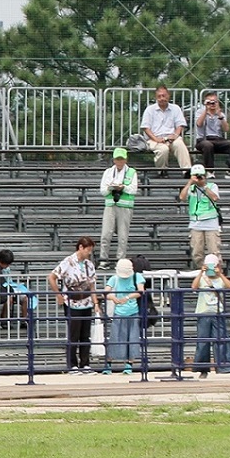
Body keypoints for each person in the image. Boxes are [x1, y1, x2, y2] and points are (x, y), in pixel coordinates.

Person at [48, 236, 100, 374]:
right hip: (72, 302)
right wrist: (58, 295)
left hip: (87, 301)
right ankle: (72, 364)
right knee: (74, 334)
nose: (89, 253)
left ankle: (85, 363)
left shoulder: (89, 265)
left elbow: (92, 285)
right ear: (81, 248)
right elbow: (52, 277)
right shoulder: (68, 262)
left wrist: (95, 302)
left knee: (85, 334)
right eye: (88, 250)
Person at [192, 254, 230, 377]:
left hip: (218, 312)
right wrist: (200, 273)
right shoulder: (202, 278)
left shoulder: (220, 279)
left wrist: (220, 274)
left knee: (222, 340)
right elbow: (194, 286)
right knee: (203, 342)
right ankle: (203, 369)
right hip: (203, 312)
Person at [102, 257, 145, 376]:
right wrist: (113, 298)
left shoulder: (137, 277)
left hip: (133, 311)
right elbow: (105, 292)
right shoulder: (114, 279)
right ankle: (109, 363)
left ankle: (129, 364)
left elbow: (141, 291)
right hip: (118, 312)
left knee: (133, 338)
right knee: (115, 338)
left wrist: (127, 297)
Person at [98, 147, 138, 262]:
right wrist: (111, 188)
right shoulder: (108, 172)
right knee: (106, 234)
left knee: (122, 236)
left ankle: (120, 260)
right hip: (110, 206)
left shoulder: (131, 172)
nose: (119, 162)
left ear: (125, 160)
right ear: (114, 160)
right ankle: (103, 259)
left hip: (125, 207)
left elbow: (133, 190)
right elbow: (103, 191)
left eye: (121, 159)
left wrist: (123, 188)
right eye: (117, 159)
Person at [179, 164, 222, 270]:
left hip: (211, 223)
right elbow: (182, 197)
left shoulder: (212, 186)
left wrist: (204, 186)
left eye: (200, 175)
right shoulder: (191, 188)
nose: (198, 178)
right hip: (196, 223)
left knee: (214, 251)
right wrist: (190, 183)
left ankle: (216, 274)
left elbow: (215, 198)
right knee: (197, 251)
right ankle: (201, 272)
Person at [140, 85, 191, 171]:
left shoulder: (176, 108)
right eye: (159, 96)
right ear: (156, 97)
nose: (162, 98)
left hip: (171, 137)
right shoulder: (150, 110)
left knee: (180, 144)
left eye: (164, 95)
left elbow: (180, 125)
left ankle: (187, 171)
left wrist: (175, 135)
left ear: (168, 96)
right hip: (154, 139)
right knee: (163, 149)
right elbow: (146, 127)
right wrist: (156, 139)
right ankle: (162, 171)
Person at [192, 92, 230, 170]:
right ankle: (210, 170)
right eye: (209, 102)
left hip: (218, 140)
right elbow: (199, 124)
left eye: (214, 102)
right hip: (203, 140)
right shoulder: (200, 112)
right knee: (207, 145)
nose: (212, 104)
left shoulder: (221, 115)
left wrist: (219, 115)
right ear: (205, 103)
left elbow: (226, 129)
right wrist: (206, 111)